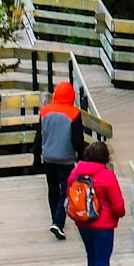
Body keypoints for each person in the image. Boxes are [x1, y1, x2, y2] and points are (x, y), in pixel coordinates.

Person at [66, 148, 128, 266]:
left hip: (82, 222)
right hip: (103, 225)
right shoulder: (107, 175)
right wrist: (119, 214)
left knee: (91, 256)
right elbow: (118, 205)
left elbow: (70, 196)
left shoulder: (75, 174)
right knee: (101, 260)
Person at [36, 75, 83, 239]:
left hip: (48, 157)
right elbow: (78, 140)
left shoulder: (44, 111)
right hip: (66, 159)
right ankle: (58, 222)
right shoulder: (74, 113)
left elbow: (39, 135)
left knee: (53, 188)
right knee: (67, 190)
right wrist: (82, 158)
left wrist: (36, 156)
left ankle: (55, 218)